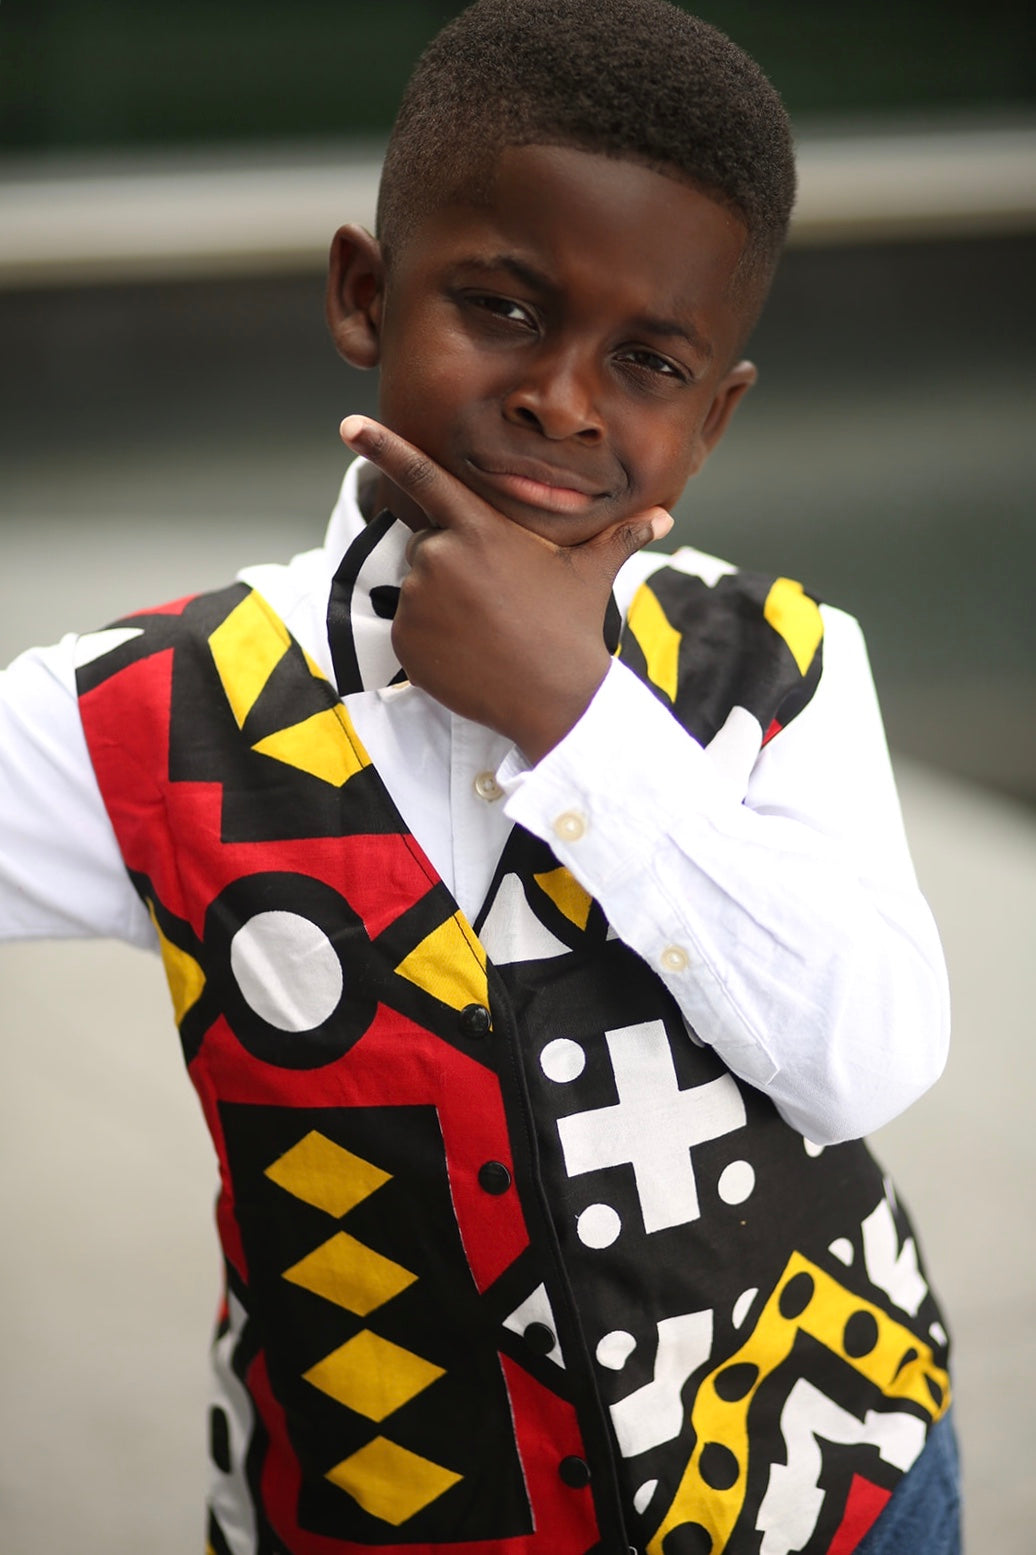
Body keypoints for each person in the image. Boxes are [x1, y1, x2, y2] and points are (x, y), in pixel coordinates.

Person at [0, 2, 961, 1551]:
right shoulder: (146, 713)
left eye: (646, 360)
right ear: (365, 294)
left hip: (829, 1496)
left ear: (712, 419)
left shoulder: (776, 665)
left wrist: (575, 719)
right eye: (504, 309)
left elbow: (866, 1056)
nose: (566, 400)